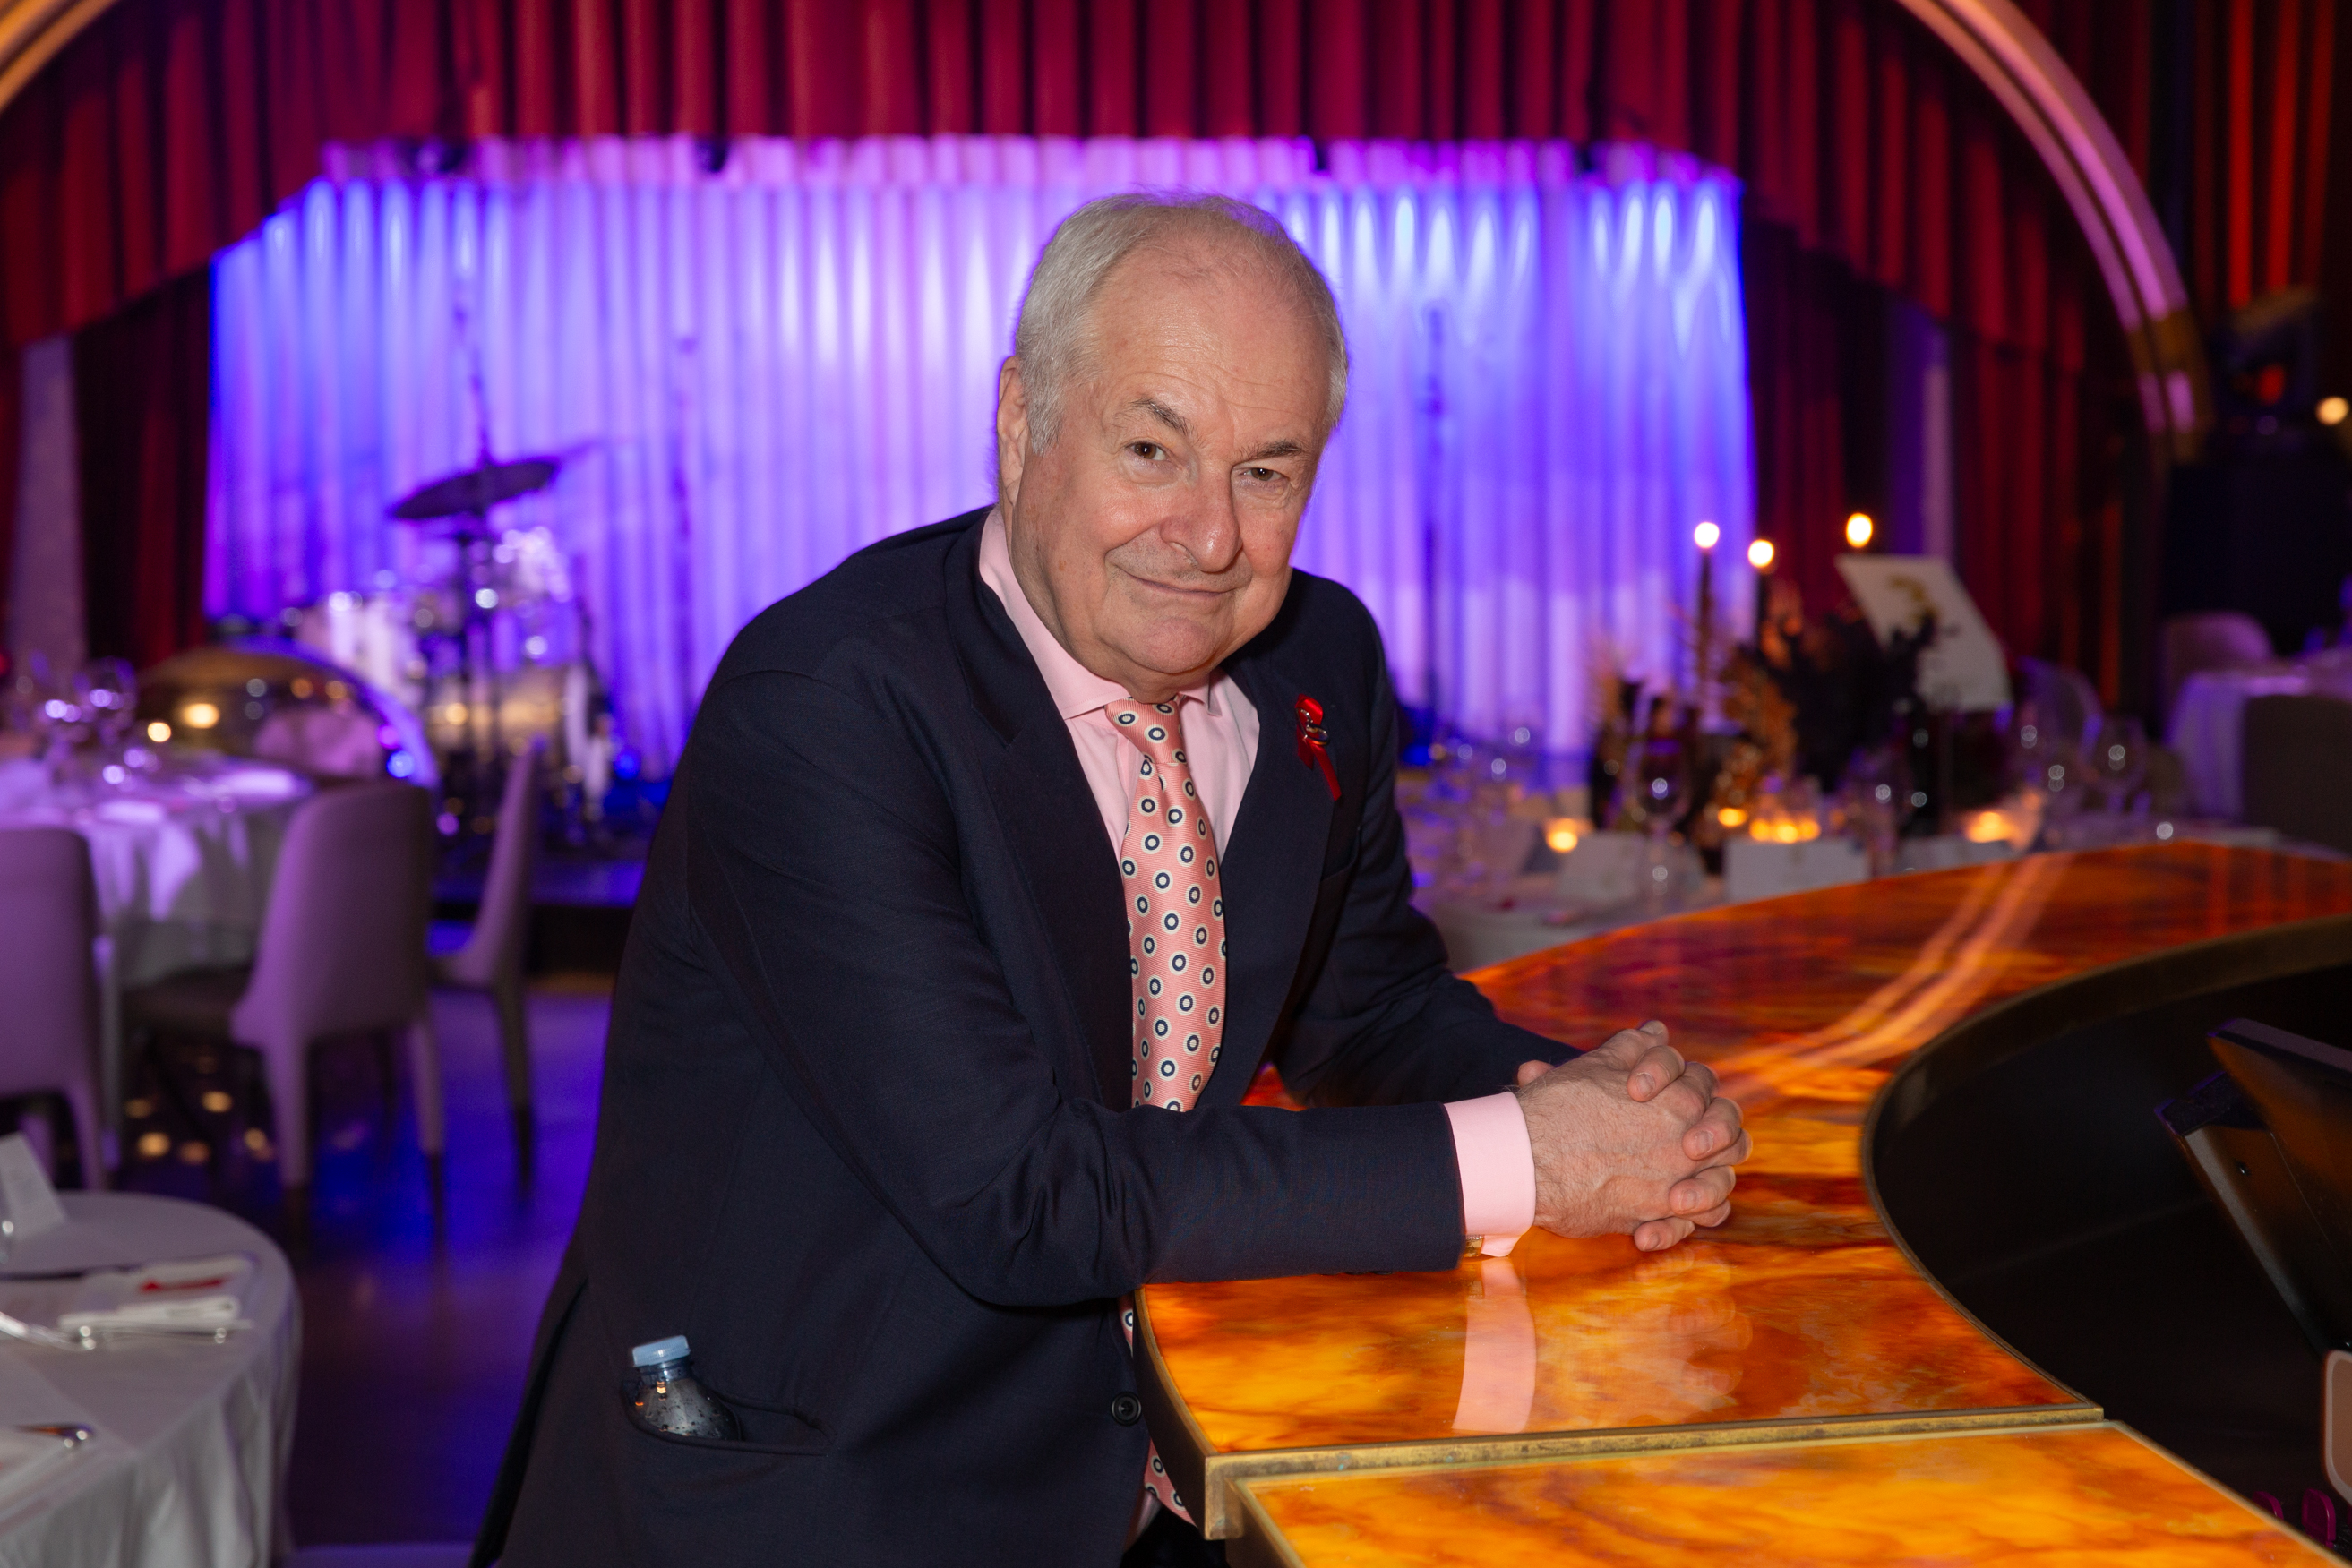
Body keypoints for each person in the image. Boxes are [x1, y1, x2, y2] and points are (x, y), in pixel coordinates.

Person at [474, 193, 1749, 1568]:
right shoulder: (827, 705)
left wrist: (1608, 1111)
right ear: (1022, 423)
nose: (1208, 539)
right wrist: (1527, 1161)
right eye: (1153, 450)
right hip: (817, 1490)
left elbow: (1364, 1010)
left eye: (1267, 473)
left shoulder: (1319, 660)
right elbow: (1019, 1195)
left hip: (1144, 1483)